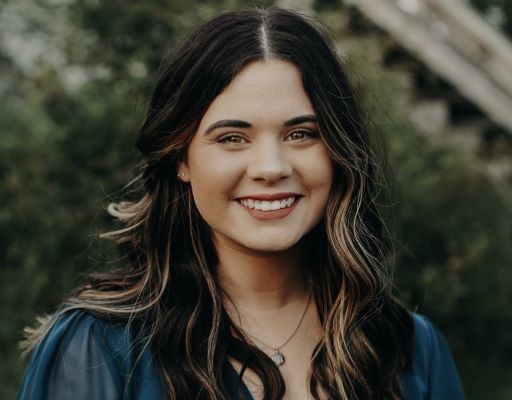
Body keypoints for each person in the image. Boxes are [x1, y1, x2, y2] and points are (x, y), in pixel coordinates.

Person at [17, 6, 465, 400]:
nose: (270, 167)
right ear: (181, 159)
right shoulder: (97, 347)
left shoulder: (412, 350)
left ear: (339, 152)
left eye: (301, 134)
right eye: (233, 138)